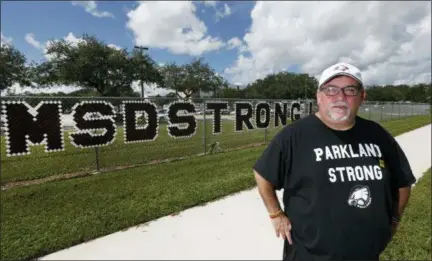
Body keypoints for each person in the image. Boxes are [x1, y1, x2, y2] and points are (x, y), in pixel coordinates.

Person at [252, 62, 416, 261]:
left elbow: (403, 182)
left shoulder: (377, 135)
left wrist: (395, 219)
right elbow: (262, 174)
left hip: (367, 253)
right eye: (330, 90)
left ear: (362, 96)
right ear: (318, 96)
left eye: (350, 90)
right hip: (309, 254)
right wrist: (276, 214)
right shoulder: (294, 136)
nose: (340, 97)